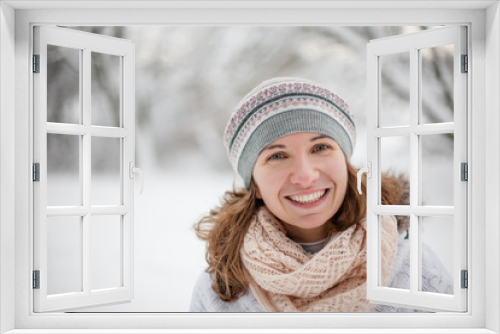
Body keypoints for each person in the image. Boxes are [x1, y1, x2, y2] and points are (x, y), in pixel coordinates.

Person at [190, 77, 453, 312]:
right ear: (255, 184)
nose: (305, 176)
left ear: (345, 161)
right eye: (278, 156)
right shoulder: (221, 291)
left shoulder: (415, 269)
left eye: (320, 147)